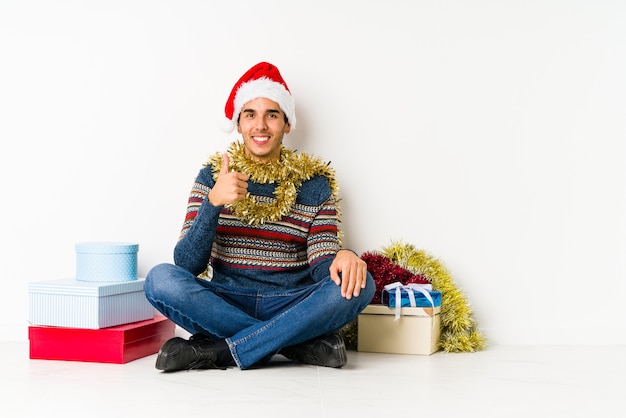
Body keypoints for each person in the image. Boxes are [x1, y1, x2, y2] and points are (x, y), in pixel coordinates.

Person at [144, 62, 375, 372]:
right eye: (250, 114)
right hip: (226, 301)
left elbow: (323, 267)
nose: (261, 126)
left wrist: (344, 257)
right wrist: (213, 203)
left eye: (272, 115)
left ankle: (221, 351)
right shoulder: (214, 176)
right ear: (239, 124)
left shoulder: (314, 184)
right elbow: (187, 264)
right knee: (160, 279)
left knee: (361, 284)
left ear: (287, 124)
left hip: (292, 301)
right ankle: (295, 343)